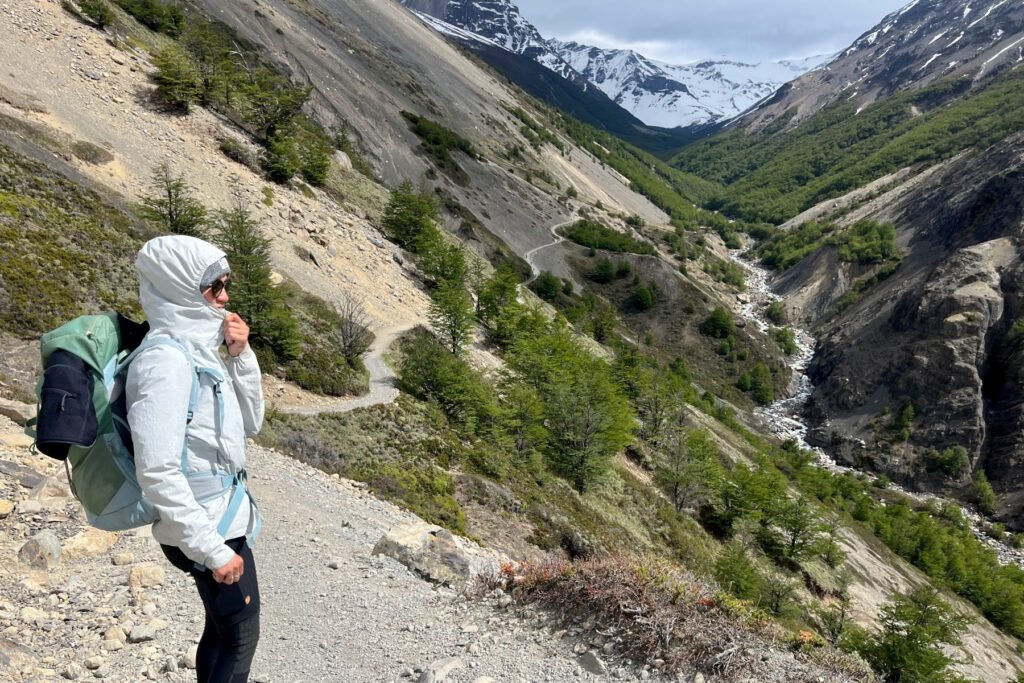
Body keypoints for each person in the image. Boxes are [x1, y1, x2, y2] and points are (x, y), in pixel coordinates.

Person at [126, 235, 265, 683]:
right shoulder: (165, 362)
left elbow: (251, 422)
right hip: (205, 524)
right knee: (239, 638)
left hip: (219, 515)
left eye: (225, 284)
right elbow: (157, 470)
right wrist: (211, 549)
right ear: (181, 289)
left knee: (223, 632)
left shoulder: (198, 349)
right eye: (213, 287)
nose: (224, 297)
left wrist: (240, 357)